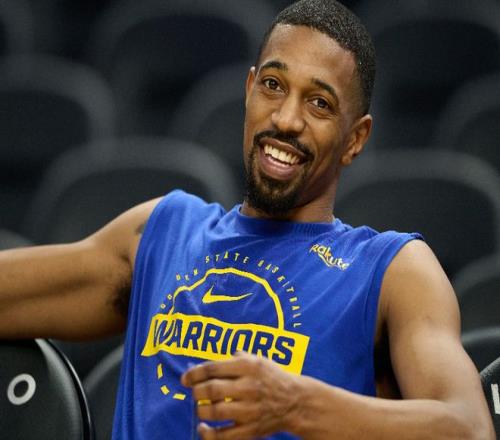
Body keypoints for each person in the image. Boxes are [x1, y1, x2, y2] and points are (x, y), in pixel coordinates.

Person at [0, 0, 495, 439]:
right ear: (249, 89)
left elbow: (469, 429)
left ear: (356, 138)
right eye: (273, 86)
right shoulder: (162, 232)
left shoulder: (393, 270)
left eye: (319, 103)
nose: (286, 119)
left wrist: (298, 407)